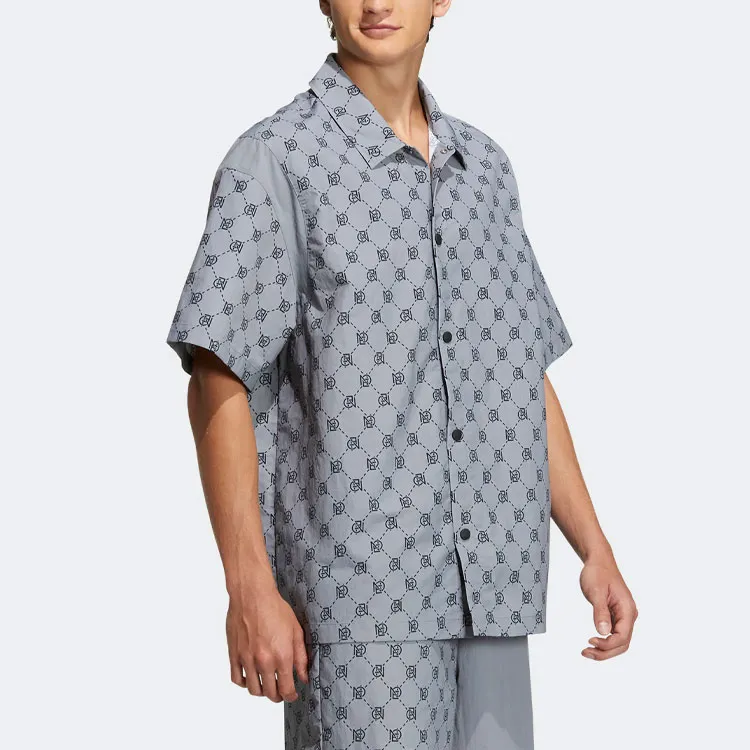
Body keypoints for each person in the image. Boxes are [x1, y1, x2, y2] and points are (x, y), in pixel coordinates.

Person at [165, 1, 638, 747]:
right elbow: (218, 372)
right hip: (360, 608)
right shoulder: (276, 161)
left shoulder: (484, 170)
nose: (378, 3)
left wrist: (595, 547)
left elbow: (517, 373)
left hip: (493, 591)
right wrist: (248, 585)